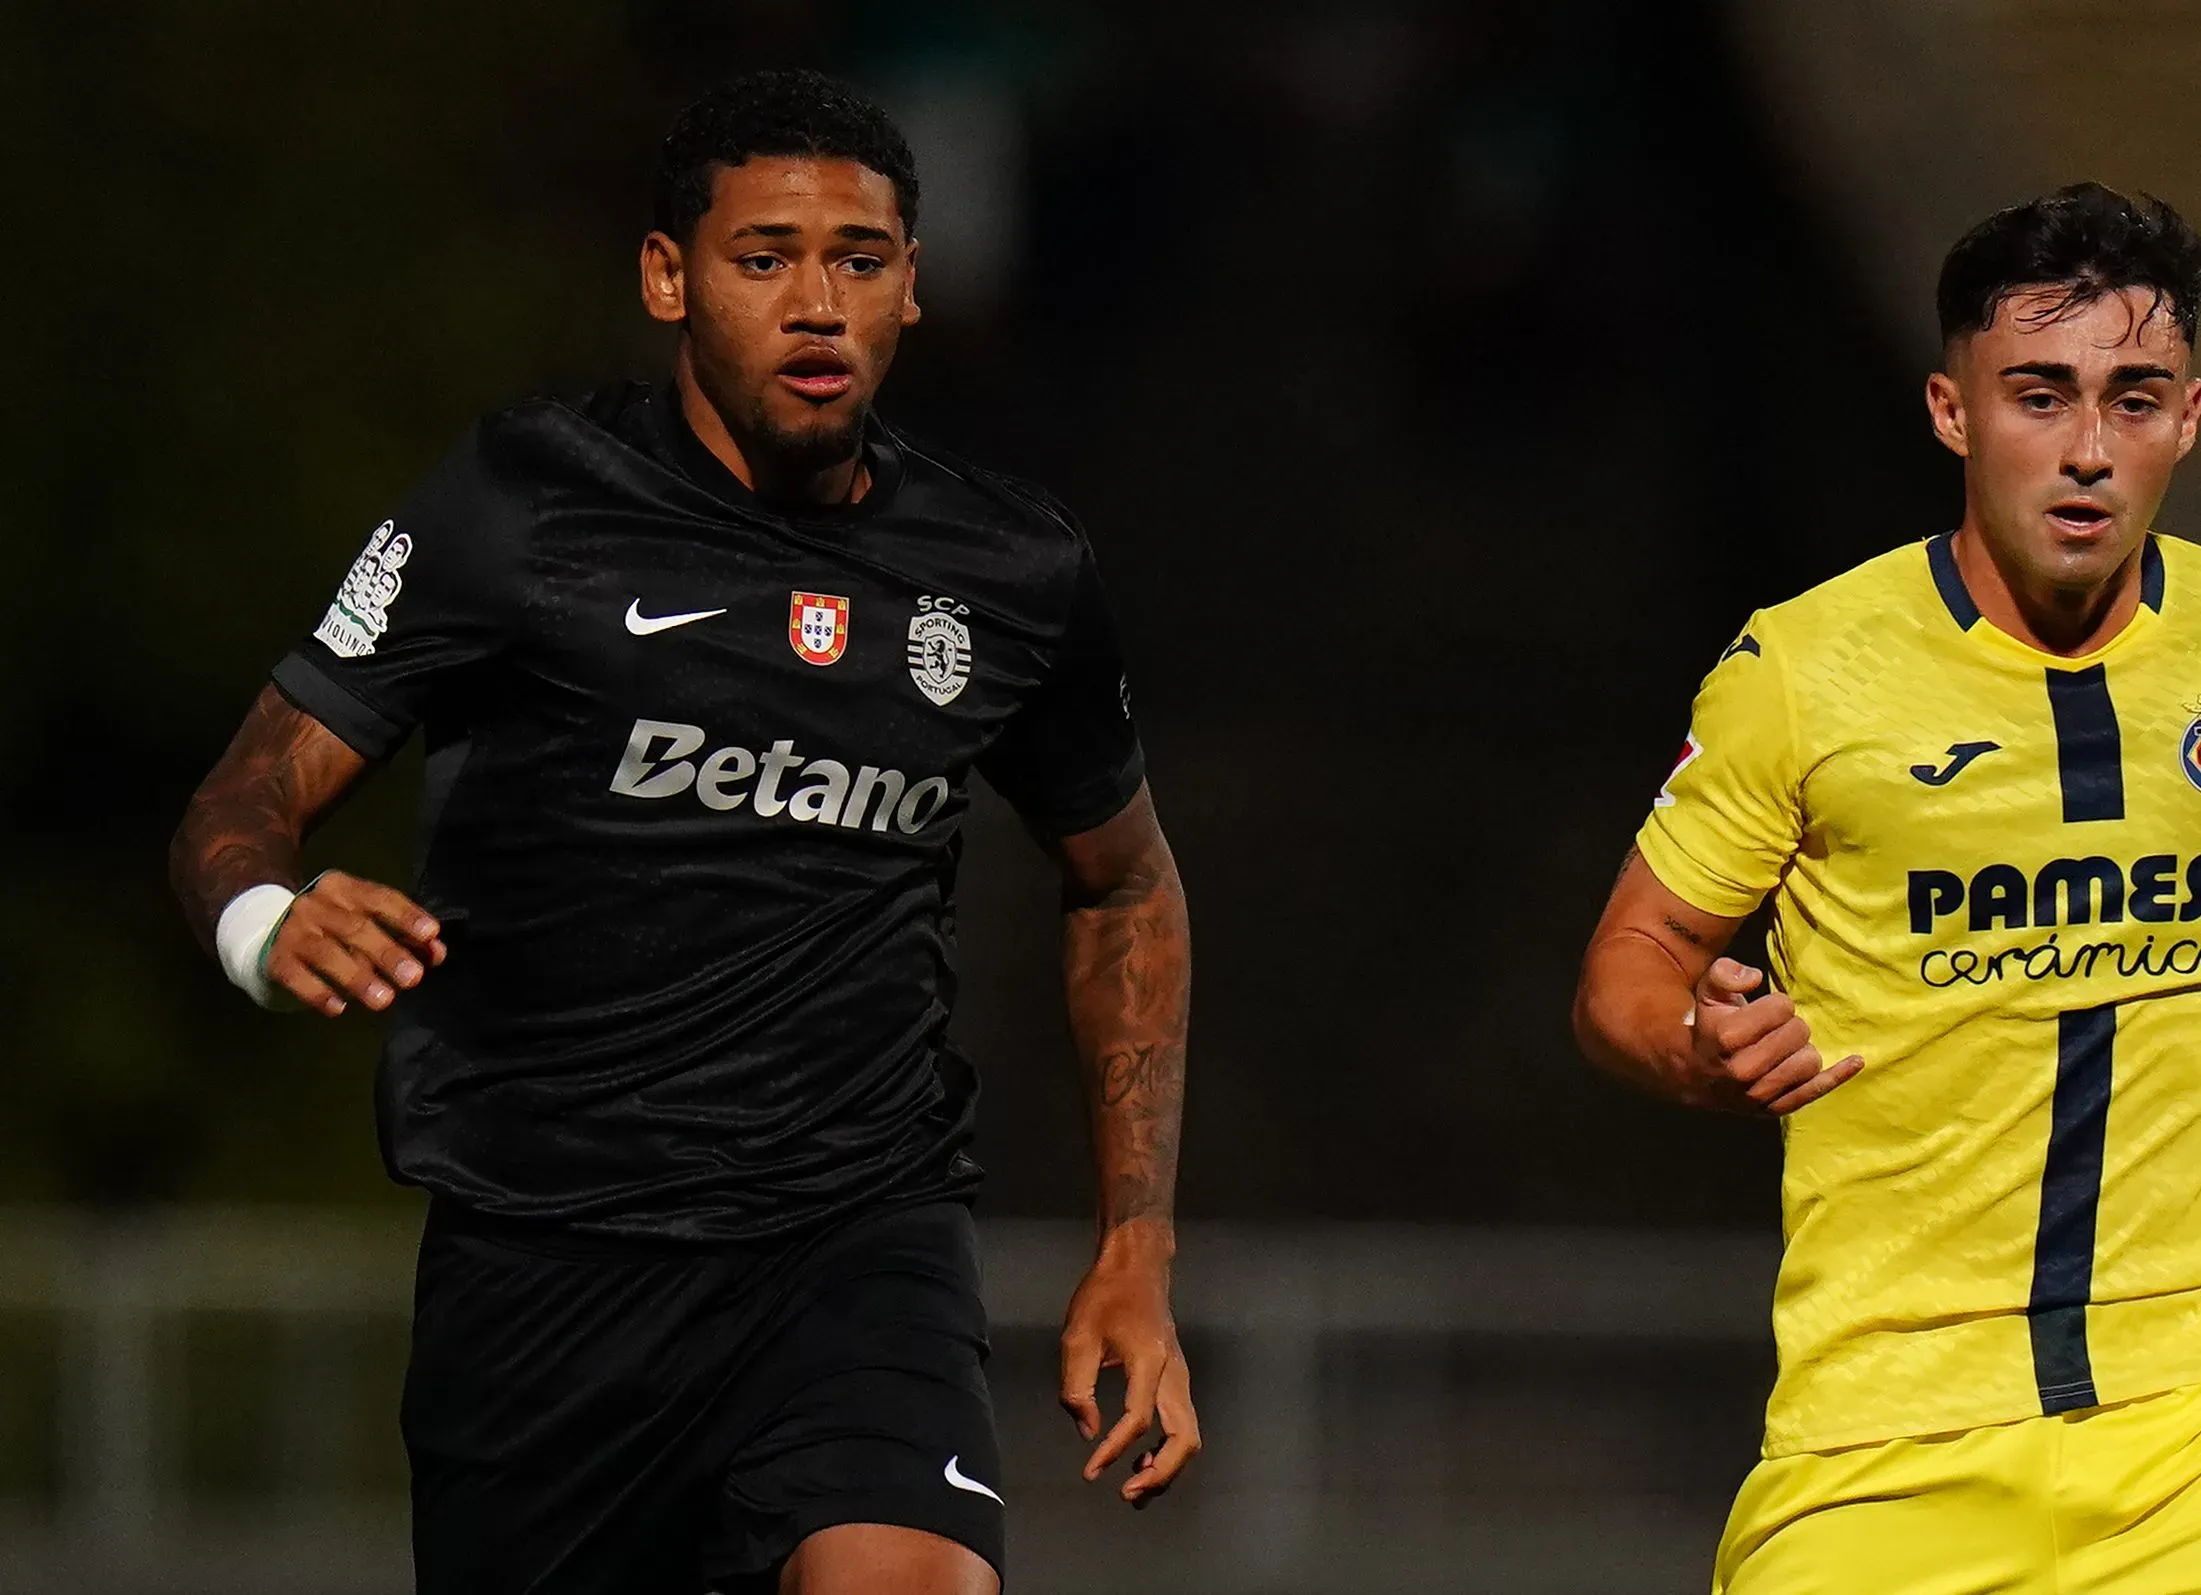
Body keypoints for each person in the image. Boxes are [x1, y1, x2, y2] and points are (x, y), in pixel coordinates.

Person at [168, 68, 1197, 1595]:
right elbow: (242, 795)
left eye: (858, 260)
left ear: (913, 286)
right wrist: (269, 921)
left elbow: (1124, 885)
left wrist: (1136, 1242)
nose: (816, 303)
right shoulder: (527, 503)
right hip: (546, 1269)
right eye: (763, 254)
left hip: (857, 1247)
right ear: (669, 276)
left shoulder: (1010, 570)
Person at [1574, 182, 2201, 1592]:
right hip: (1886, 1441)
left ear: (2190, 416)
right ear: (1951, 411)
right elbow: (1629, 967)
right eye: (2040, 395)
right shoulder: (1803, 669)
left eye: (2135, 397)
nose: (2090, 450)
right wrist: (1693, 1045)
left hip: (2186, 1436)